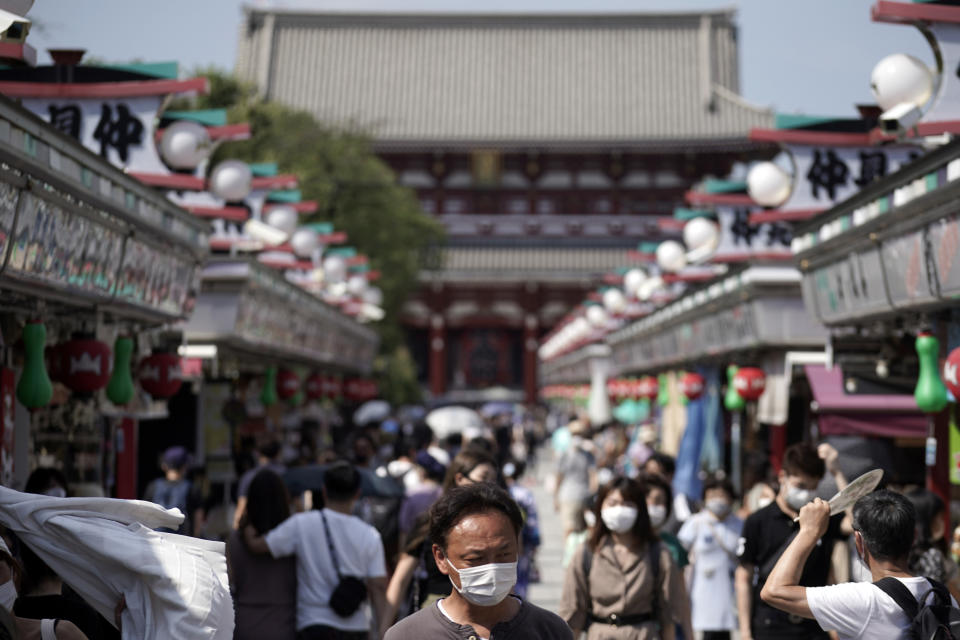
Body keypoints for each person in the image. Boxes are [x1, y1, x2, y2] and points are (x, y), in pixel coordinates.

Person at [761, 489, 958, 639]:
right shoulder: (941, 595)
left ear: (859, 541)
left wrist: (809, 532)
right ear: (913, 537)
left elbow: (773, 591)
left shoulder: (864, 601)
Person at [383, 483, 572, 640]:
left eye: (503, 554)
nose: (491, 569)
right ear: (441, 558)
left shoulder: (551, 631)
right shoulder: (407, 635)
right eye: (475, 559)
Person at [243, 461, 388, 640]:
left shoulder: (302, 524)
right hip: (355, 626)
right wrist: (383, 630)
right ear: (357, 493)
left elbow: (260, 546)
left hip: (313, 623)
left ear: (324, 490)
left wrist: (247, 533)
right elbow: (378, 587)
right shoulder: (370, 535)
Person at [735, 443, 848, 640]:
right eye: (801, 486)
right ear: (782, 477)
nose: (807, 493)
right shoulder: (758, 521)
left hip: (815, 622)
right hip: (770, 624)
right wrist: (745, 632)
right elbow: (743, 577)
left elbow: (854, 522)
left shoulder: (822, 518)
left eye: (813, 487)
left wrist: (837, 471)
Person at [380, 448, 498, 632]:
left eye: (494, 480)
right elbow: (400, 580)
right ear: (459, 478)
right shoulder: (430, 523)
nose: (490, 486)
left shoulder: (497, 527)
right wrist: (384, 629)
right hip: (436, 618)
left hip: (484, 619)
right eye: (484, 477)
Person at [559, 476, 691, 639]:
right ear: (601, 507)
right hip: (600, 633)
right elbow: (573, 611)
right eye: (612, 503)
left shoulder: (658, 553)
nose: (619, 510)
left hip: (642, 634)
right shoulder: (586, 552)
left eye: (627, 504)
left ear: (639, 509)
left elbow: (668, 614)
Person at [227, 469, 296, 640]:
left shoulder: (235, 540)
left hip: (243, 626)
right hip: (284, 625)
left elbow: (227, 582)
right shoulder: (292, 540)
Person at [677, 476, 743, 640]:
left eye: (721, 495)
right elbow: (679, 552)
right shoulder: (696, 522)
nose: (717, 500)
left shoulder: (740, 524)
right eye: (712, 495)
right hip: (701, 594)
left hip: (731, 594)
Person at [905, 488, 960, 602]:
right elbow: (938, 596)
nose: (942, 522)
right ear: (923, 522)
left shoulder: (902, 552)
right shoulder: (932, 555)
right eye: (939, 518)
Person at [143, 446, 203, 537]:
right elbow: (198, 524)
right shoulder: (192, 489)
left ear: (164, 466)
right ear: (185, 466)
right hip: (182, 545)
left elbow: (144, 516)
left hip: (156, 542)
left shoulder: (152, 487)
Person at [503, 460, 540, 599]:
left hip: (505, 540)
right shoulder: (525, 493)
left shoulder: (502, 491)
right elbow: (532, 519)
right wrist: (535, 541)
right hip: (524, 540)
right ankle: (521, 604)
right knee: (521, 576)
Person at [554, 420, 597, 542]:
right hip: (567, 496)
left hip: (584, 496)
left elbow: (593, 476)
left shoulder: (589, 455)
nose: (577, 437)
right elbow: (559, 477)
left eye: (580, 434)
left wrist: (592, 494)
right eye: (574, 434)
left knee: (582, 531)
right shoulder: (564, 455)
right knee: (569, 529)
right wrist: (555, 497)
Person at [232, 440, 285, 529]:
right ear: (278, 453)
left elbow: (241, 506)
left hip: (255, 528)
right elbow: (297, 504)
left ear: (258, 454)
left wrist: (236, 530)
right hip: (282, 526)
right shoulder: (285, 474)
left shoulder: (248, 476)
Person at [643, 473, 688, 570]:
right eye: (646, 499)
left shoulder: (673, 546)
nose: (654, 505)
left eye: (660, 501)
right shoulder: (622, 543)